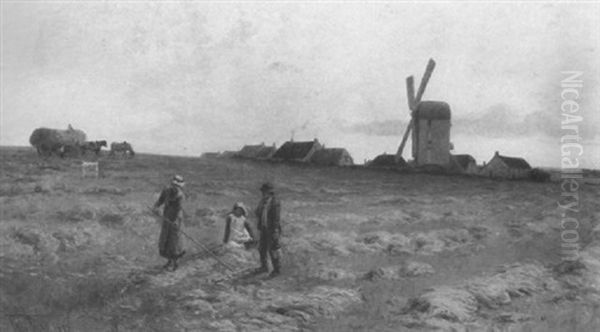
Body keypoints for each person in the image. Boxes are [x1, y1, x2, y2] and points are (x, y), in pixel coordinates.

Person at [153, 174, 186, 271]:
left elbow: (178, 209)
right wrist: (155, 207)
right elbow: (160, 201)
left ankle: (175, 264)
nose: (175, 187)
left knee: (175, 241)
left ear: (180, 187)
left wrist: (174, 221)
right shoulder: (166, 191)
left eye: (177, 186)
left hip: (176, 220)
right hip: (167, 217)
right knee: (166, 240)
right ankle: (169, 261)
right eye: (173, 185)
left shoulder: (180, 196)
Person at [254, 182, 282, 278]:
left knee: (273, 250)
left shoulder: (275, 202)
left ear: (269, 192)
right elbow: (257, 212)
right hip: (264, 228)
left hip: (272, 230)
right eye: (263, 192)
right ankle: (264, 267)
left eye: (264, 191)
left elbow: (276, 218)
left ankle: (277, 270)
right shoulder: (263, 201)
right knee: (262, 248)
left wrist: (275, 231)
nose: (263, 193)